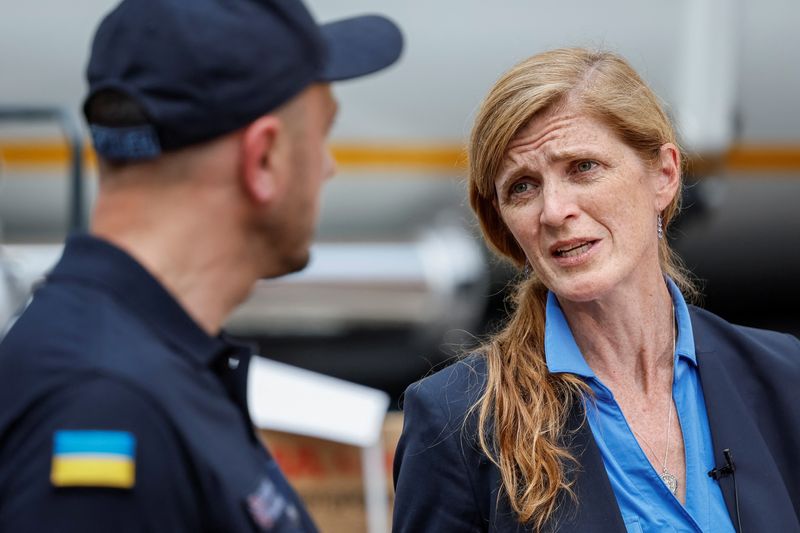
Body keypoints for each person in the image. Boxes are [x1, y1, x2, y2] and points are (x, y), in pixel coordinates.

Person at [0, 1, 401, 531]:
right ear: (263, 159)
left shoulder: (142, 363)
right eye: (322, 134)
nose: (328, 168)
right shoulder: (107, 405)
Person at [393, 48, 800, 532]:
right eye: (522, 186)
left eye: (583, 167)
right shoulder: (457, 420)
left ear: (665, 175)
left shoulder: (784, 377)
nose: (553, 210)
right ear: (502, 222)